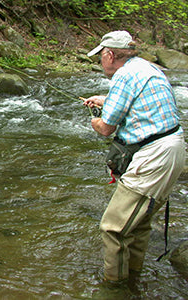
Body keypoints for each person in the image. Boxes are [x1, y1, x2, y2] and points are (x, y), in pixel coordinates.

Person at [83, 30, 186, 282]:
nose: (101, 62)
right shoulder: (144, 68)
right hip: (173, 150)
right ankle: (133, 280)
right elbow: (138, 104)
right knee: (138, 225)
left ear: (109, 55)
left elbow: (106, 129)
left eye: (101, 57)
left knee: (113, 228)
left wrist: (95, 120)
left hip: (154, 157)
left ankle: (114, 288)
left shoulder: (124, 76)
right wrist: (105, 100)